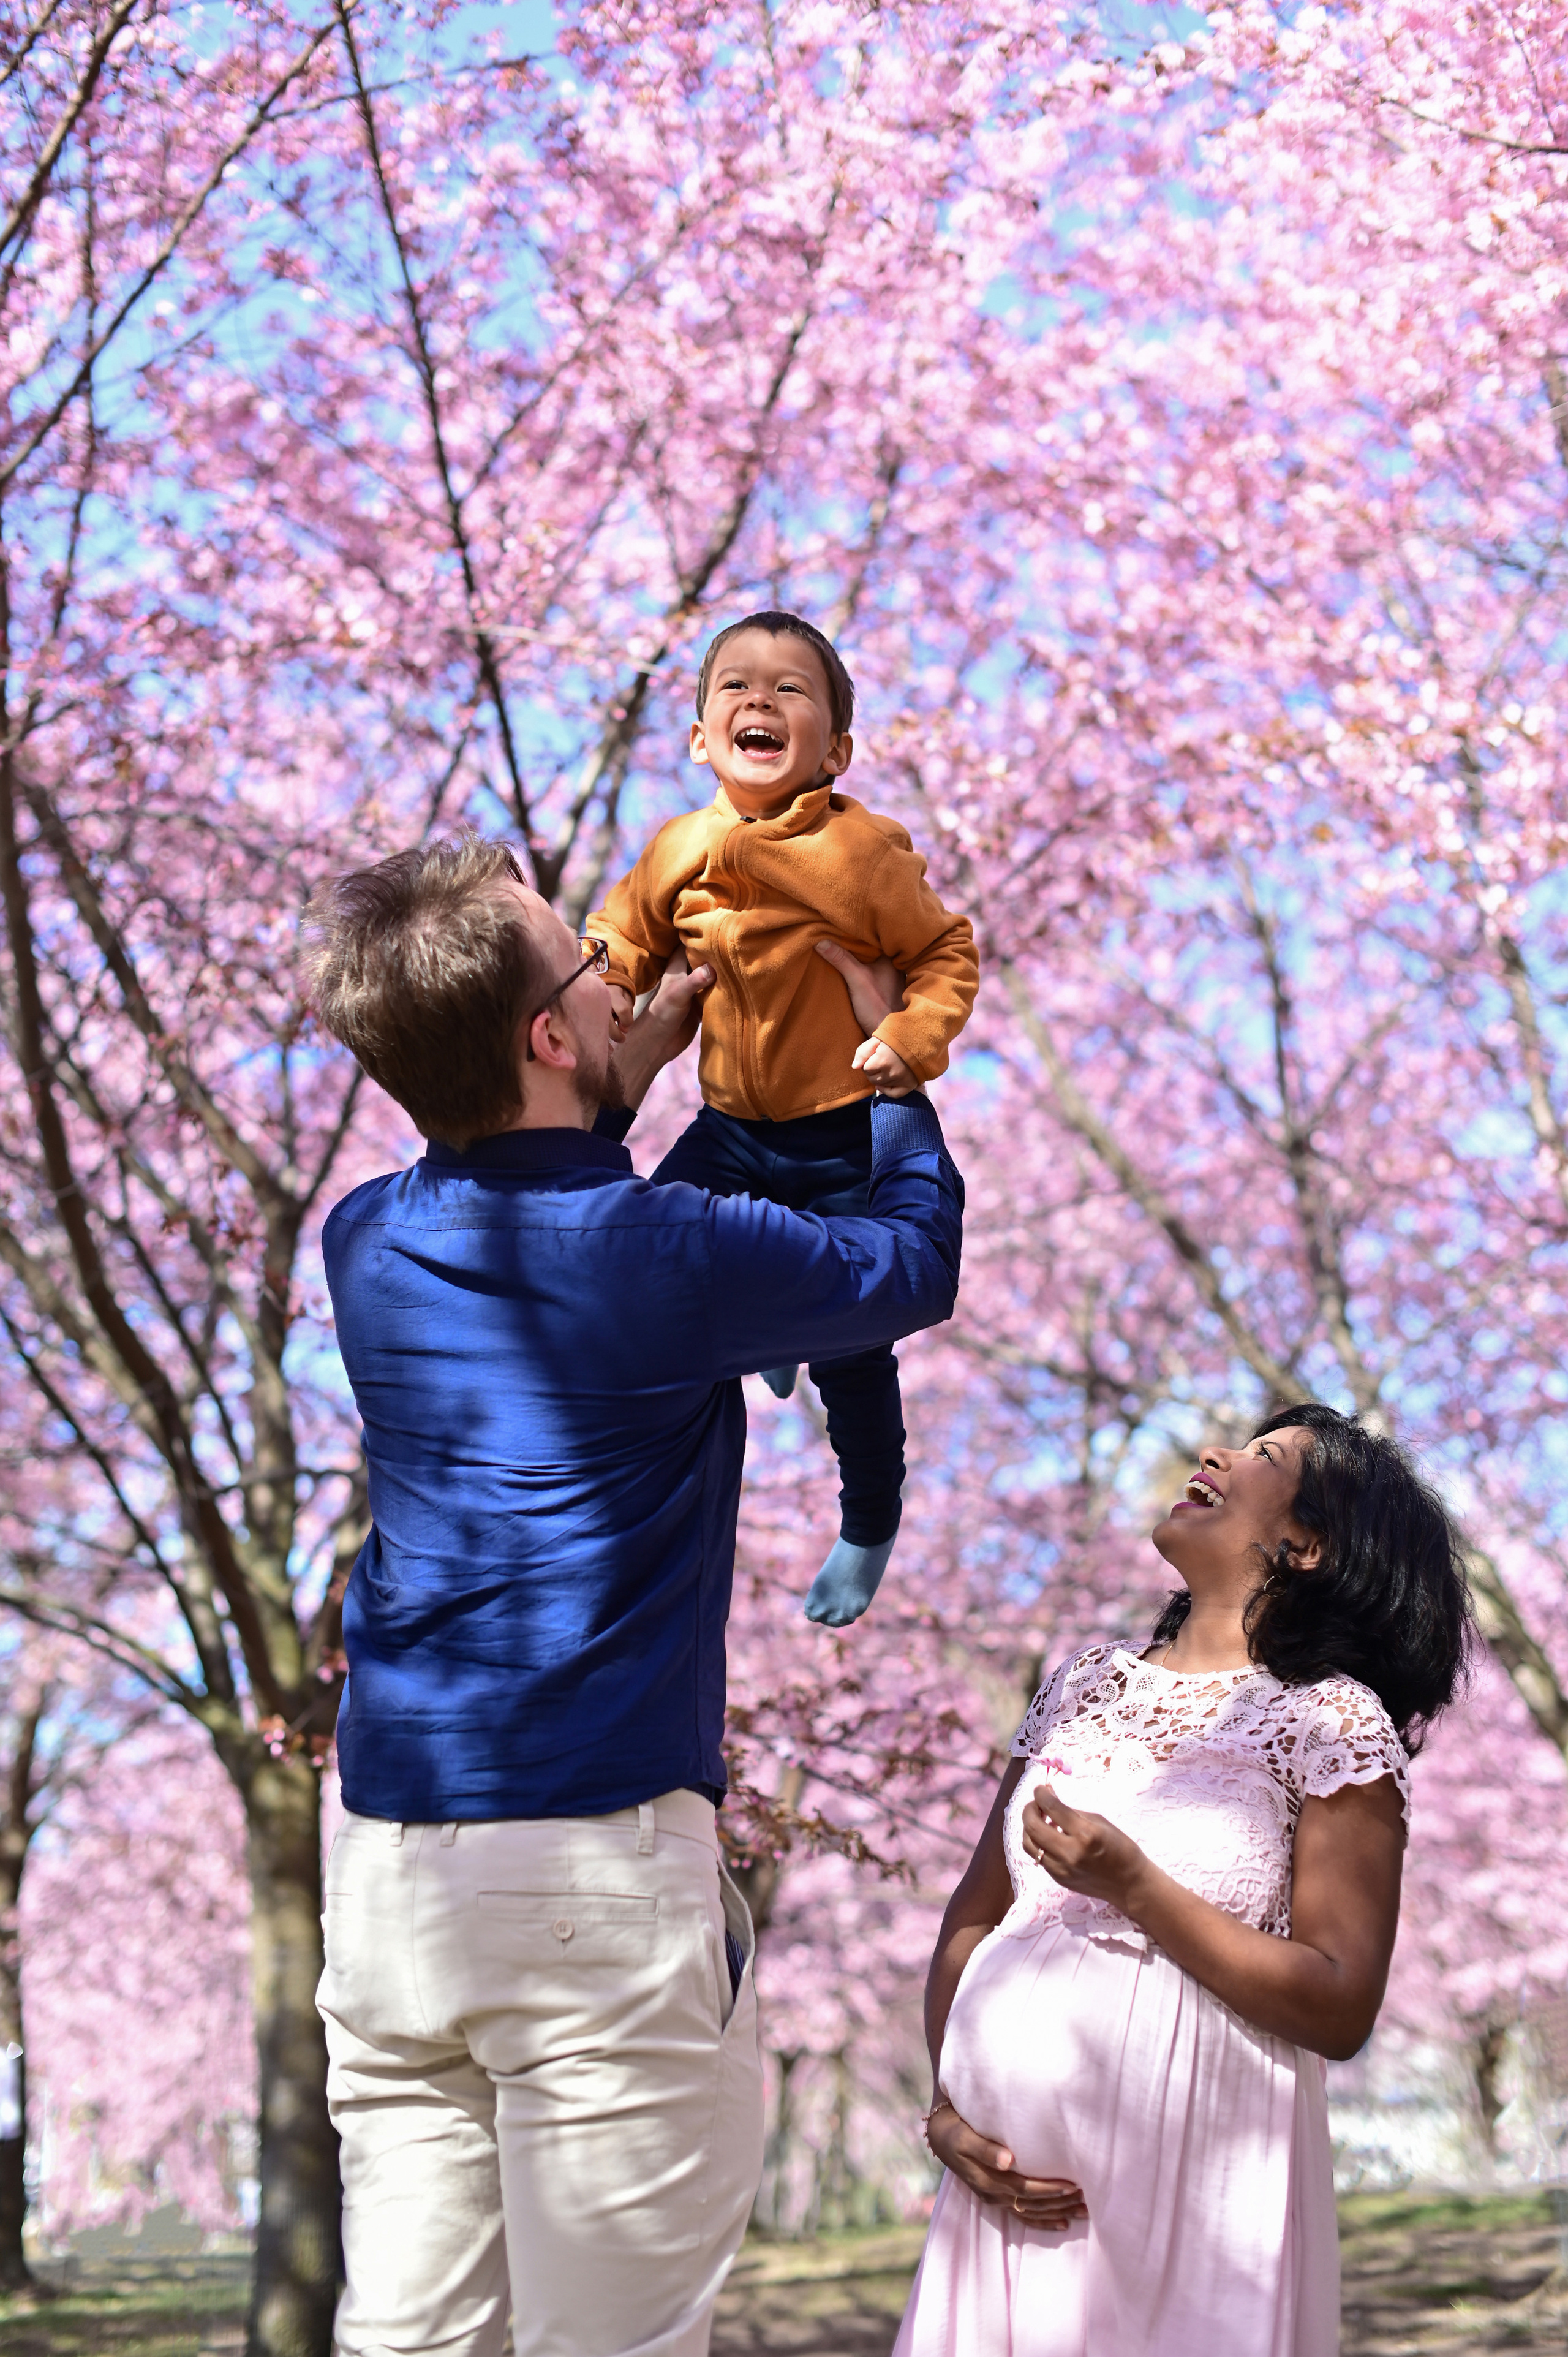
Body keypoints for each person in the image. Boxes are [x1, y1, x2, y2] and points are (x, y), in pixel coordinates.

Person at [302, 832, 964, 2357]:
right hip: (588, 1880)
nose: (626, 973)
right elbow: (906, 1265)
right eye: (591, 967)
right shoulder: (662, 1248)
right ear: (546, 1033)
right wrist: (883, 1059)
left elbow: (547, 1200)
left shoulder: (367, 1240)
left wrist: (618, 1075)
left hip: (394, 1889)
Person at [895, 1402, 1472, 2357]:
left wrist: (1138, 1887)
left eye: (1265, 1457)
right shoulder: (1081, 1686)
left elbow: (1339, 2003)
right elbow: (974, 1914)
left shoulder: (1332, 1722)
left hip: (1197, 2186)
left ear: (1307, 1545)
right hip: (1001, 2201)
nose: (1217, 1455)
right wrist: (947, 2111)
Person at [587, 611, 979, 1629]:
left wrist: (910, 1034)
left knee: (854, 1348)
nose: (760, 701)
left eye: (791, 690)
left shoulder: (858, 853)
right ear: (698, 737)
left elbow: (945, 951)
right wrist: (602, 994)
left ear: (837, 752)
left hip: (845, 1125)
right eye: (736, 687)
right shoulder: (678, 846)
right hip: (732, 1128)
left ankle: (870, 1516)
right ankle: (762, 1319)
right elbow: (619, 936)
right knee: (636, 1239)